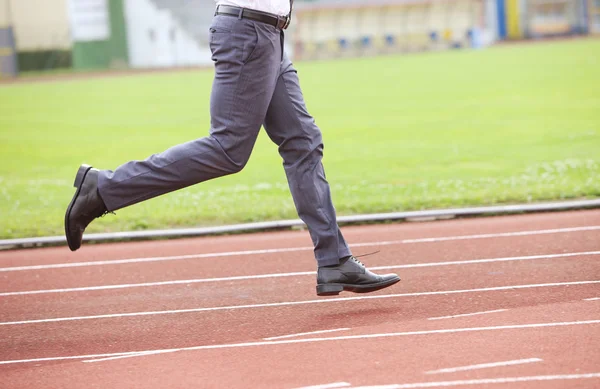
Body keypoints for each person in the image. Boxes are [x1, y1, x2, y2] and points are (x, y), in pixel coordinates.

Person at [64, 0, 400, 296]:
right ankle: (104, 188)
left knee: (303, 142)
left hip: (266, 35)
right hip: (249, 33)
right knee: (227, 149)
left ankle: (335, 260)